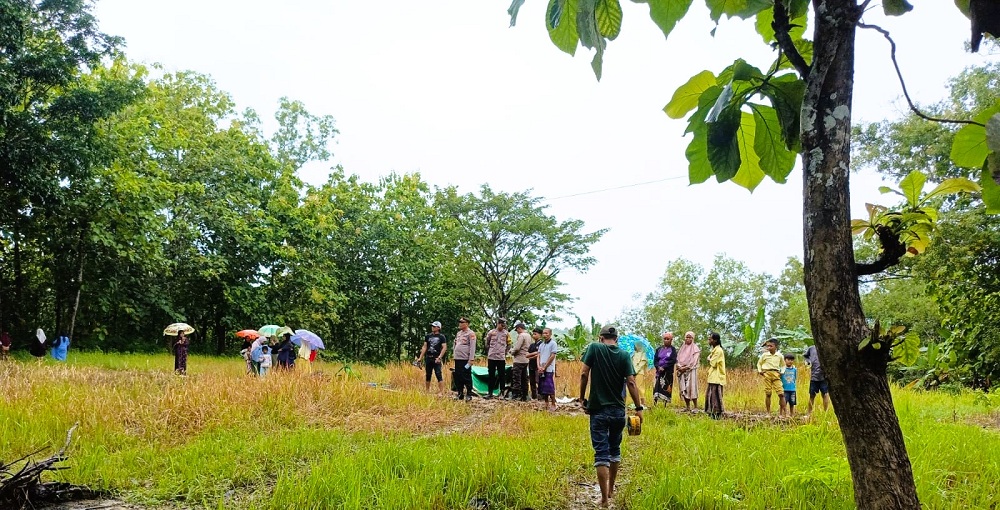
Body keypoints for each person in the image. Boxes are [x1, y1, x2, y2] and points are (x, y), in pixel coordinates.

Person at [579, 325, 643, 509]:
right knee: (614, 450)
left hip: (598, 410)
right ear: (617, 339)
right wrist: (639, 408)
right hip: (618, 411)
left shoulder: (594, 348)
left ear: (601, 337)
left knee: (601, 453)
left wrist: (582, 398)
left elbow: (584, 373)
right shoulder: (624, 355)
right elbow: (631, 382)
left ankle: (604, 500)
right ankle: (611, 489)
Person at [415, 321, 448, 395]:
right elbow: (424, 347)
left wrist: (440, 357)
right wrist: (420, 358)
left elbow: (444, 347)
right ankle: (427, 391)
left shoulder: (442, 337)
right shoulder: (428, 336)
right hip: (428, 357)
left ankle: (441, 392)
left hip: (436, 358)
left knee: (438, 374)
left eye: (434, 326)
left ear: (438, 328)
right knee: (428, 374)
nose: (432, 327)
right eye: (432, 326)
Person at [757, 338, 786, 415]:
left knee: (781, 394)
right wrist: (760, 371)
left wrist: (782, 372)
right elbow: (759, 363)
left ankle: (783, 413)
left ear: (775, 346)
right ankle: (768, 412)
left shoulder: (779, 356)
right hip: (767, 373)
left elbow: (783, 365)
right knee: (768, 393)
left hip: (776, 374)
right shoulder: (764, 355)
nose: (769, 348)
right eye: (768, 346)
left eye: (771, 346)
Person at [452, 317, 477, 400]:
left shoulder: (471, 333)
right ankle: (460, 393)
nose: (460, 323)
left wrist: (471, 359)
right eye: (459, 322)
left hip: (465, 359)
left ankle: (469, 394)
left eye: (461, 322)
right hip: (458, 358)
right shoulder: (459, 333)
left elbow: (472, 347)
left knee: (466, 376)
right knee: (458, 376)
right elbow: (455, 344)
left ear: (466, 323)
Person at [484, 318, 509, 400]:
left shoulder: (506, 334)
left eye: (504, 325)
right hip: (492, 357)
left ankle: (502, 393)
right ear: (498, 324)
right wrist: (489, 352)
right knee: (491, 375)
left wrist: (505, 353)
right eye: (501, 324)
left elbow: (509, 344)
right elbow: (487, 343)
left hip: (501, 358)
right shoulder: (491, 332)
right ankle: (490, 393)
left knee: (502, 375)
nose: (503, 326)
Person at [676, 331, 701, 411]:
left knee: (691, 388)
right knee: (684, 388)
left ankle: (696, 407)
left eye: (690, 337)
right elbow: (678, 359)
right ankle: (687, 407)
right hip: (682, 371)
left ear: (693, 338)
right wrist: (679, 367)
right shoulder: (682, 348)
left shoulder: (695, 349)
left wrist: (685, 368)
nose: (688, 339)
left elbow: (694, 362)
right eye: (687, 337)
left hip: (691, 371)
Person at [803, 344, 831, 414]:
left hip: (824, 376)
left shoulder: (826, 346)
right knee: (812, 395)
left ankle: (826, 413)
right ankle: (808, 413)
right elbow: (805, 356)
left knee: (825, 394)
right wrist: (809, 362)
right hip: (814, 376)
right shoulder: (811, 348)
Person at [704, 332, 726, 419]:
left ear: (715, 340)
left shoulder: (718, 351)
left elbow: (713, 363)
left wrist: (709, 358)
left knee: (715, 396)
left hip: (717, 377)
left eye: (710, 339)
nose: (709, 341)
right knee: (711, 395)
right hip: (713, 376)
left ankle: (716, 413)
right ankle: (712, 413)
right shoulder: (715, 350)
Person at [653, 332, 677, 405]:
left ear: (671, 340)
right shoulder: (659, 349)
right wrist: (658, 367)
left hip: (668, 372)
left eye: (668, 339)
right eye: (665, 339)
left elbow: (673, 360)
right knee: (656, 387)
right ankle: (655, 403)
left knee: (666, 387)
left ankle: (665, 404)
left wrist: (664, 367)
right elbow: (655, 360)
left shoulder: (673, 350)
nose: (666, 340)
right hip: (659, 372)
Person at [537, 327, 558, 411]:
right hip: (541, 368)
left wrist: (545, 367)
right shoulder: (541, 344)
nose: (545, 335)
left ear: (550, 334)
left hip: (549, 369)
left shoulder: (553, 344)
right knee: (543, 387)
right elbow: (538, 355)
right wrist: (539, 366)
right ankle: (546, 403)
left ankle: (553, 404)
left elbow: (552, 356)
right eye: (543, 333)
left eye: (546, 333)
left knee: (550, 387)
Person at [509, 321, 531, 401]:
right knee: (524, 378)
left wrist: (512, 351)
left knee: (516, 378)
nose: (517, 332)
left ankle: (515, 395)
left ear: (519, 328)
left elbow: (517, 348)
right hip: (526, 360)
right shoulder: (528, 335)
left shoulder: (521, 336)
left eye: (517, 330)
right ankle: (524, 395)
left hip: (519, 360)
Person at [527, 327, 543, 400]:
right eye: (533, 334)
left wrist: (531, 356)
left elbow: (539, 354)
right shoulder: (532, 345)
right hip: (531, 365)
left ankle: (540, 396)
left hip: (538, 366)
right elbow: (527, 354)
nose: (533, 335)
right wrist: (533, 355)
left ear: (540, 335)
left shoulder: (542, 344)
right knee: (532, 382)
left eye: (535, 334)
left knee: (538, 381)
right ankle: (534, 396)